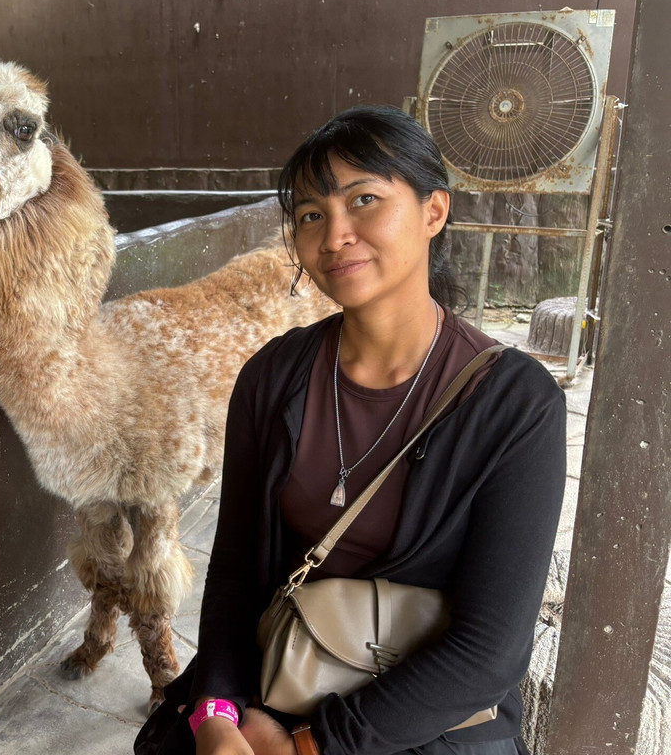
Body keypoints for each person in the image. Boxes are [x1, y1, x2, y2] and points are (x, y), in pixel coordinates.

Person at [135, 106, 566, 755]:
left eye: (364, 200)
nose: (334, 235)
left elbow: (489, 652)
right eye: (310, 214)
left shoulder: (515, 402)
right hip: (279, 676)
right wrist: (217, 715)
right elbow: (234, 576)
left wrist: (310, 746)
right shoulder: (272, 377)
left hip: (428, 720)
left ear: (433, 212)